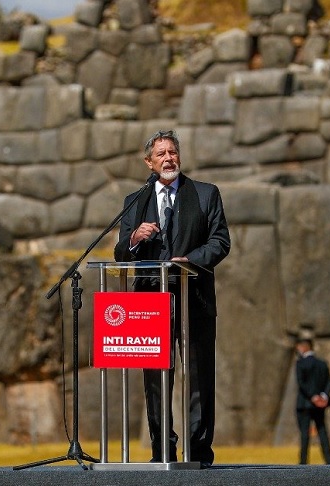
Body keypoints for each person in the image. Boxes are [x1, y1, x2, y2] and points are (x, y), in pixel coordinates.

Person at [114, 130, 231, 467]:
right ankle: (161, 449)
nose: (168, 159)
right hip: (149, 302)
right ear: (149, 162)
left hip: (193, 297)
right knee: (155, 379)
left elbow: (220, 241)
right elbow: (121, 253)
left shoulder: (206, 194)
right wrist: (135, 237)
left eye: (172, 152)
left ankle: (197, 453)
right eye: (161, 154)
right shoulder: (135, 201)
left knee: (198, 377)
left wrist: (190, 259)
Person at [295, 337, 330, 465]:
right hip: (320, 405)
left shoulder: (300, 363)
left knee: (305, 434)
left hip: (305, 404)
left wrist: (313, 397)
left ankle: (303, 462)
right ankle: (329, 461)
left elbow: (301, 383)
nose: (298, 349)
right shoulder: (322, 363)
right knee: (322, 431)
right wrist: (323, 396)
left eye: (299, 346)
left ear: (305, 347)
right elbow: (329, 382)